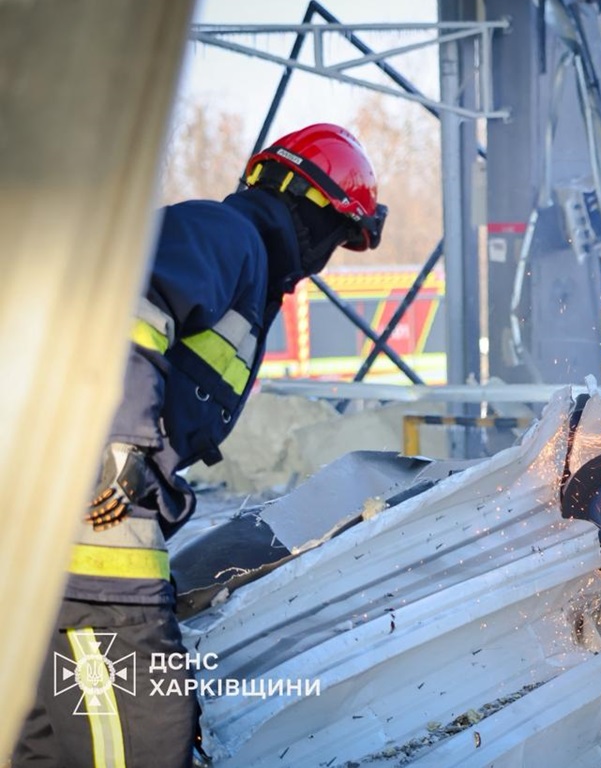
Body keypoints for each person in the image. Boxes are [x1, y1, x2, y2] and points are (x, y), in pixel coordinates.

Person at [15, 123, 387, 767]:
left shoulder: (245, 269)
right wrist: (125, 450)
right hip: (96, 518)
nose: (330, 255)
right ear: (311, 209)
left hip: (62, 518)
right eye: (338, 235)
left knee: (49, 736)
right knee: (143, 728)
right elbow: (120, 312)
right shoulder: (225, 235)